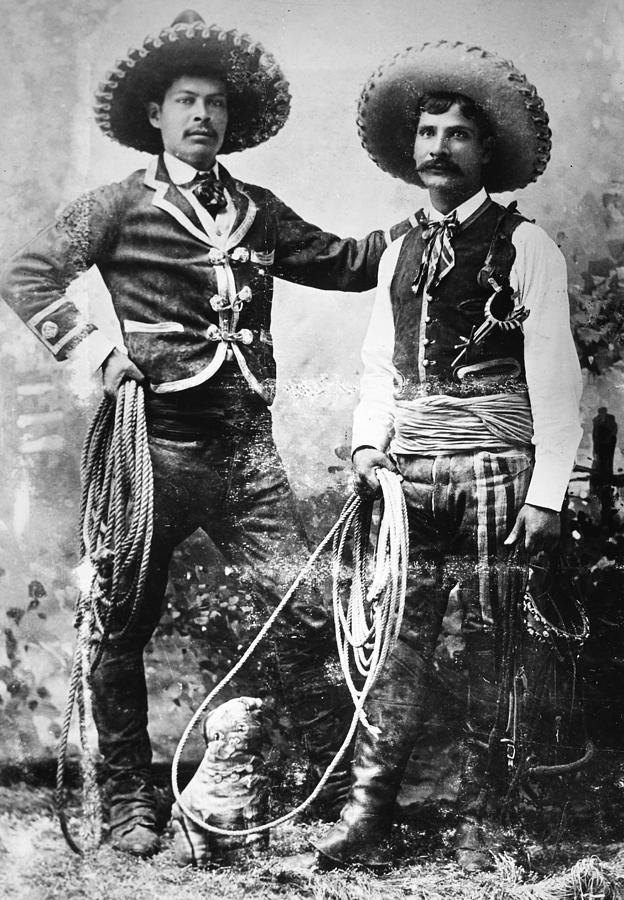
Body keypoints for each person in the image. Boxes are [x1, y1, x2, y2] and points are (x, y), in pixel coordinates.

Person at [0, 10, 409, 857]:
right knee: (120, 626)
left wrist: (424, 226)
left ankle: (320, 794)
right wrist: (95, 351)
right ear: (156, 114)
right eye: (187, 101)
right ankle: (128, 804)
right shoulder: (116, 206)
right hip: (150, 448)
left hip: (246, 452)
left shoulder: (257, 210)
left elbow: (346, 261)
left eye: (216, 105)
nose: (202, 117)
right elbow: (26, 272)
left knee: (302, 615)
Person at [312, 40, 583, 872]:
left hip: (496, 471)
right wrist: (368, 446)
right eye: (427, 133)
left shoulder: (526, 245)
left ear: (485, 151)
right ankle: (367, 814)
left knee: (492, 645)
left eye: (457, 135)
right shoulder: (398, 251)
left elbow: (556, 377)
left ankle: (483, 818)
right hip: (411, 477)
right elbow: (377, 369)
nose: (437, 147)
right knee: (394, 639)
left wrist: (548, 493)